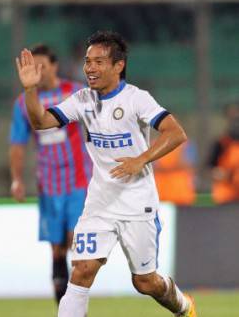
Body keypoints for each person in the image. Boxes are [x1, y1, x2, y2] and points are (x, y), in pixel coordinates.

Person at [15, 30, 196, 317]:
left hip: (138, 203)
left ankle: (183, 305)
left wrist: (141, 158)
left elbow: (176, 133)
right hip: (99, 203)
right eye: (87, 61)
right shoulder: (82, 100)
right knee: (82, 270)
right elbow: (40, 122)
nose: (90, 68)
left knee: (145, 282)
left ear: (118, 65)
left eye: (99, 62)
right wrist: (30, 90)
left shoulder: (137, 99)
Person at [9, 44, 91, 304]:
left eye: (43, 66)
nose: (39, 72)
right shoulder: (24, 103)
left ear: (55, 66)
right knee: (56, 247)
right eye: (34, 67)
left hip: (79, 180)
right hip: (48, 183)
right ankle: (63, 305)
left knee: (74, 240)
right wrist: (17, 179)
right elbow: (17, 144)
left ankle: (75, 303)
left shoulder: (76, 93)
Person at [208, 102, 239, 204]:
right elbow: (210, 168)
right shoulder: (221, 143)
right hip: (225, 198)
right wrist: (225, 175)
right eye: (232, 118)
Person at [154, 140, 196, 206]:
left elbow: (187, 164)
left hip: (181, 195)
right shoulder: (154, 145)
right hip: (161, 195)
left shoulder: (186, 145)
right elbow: (153, 167)